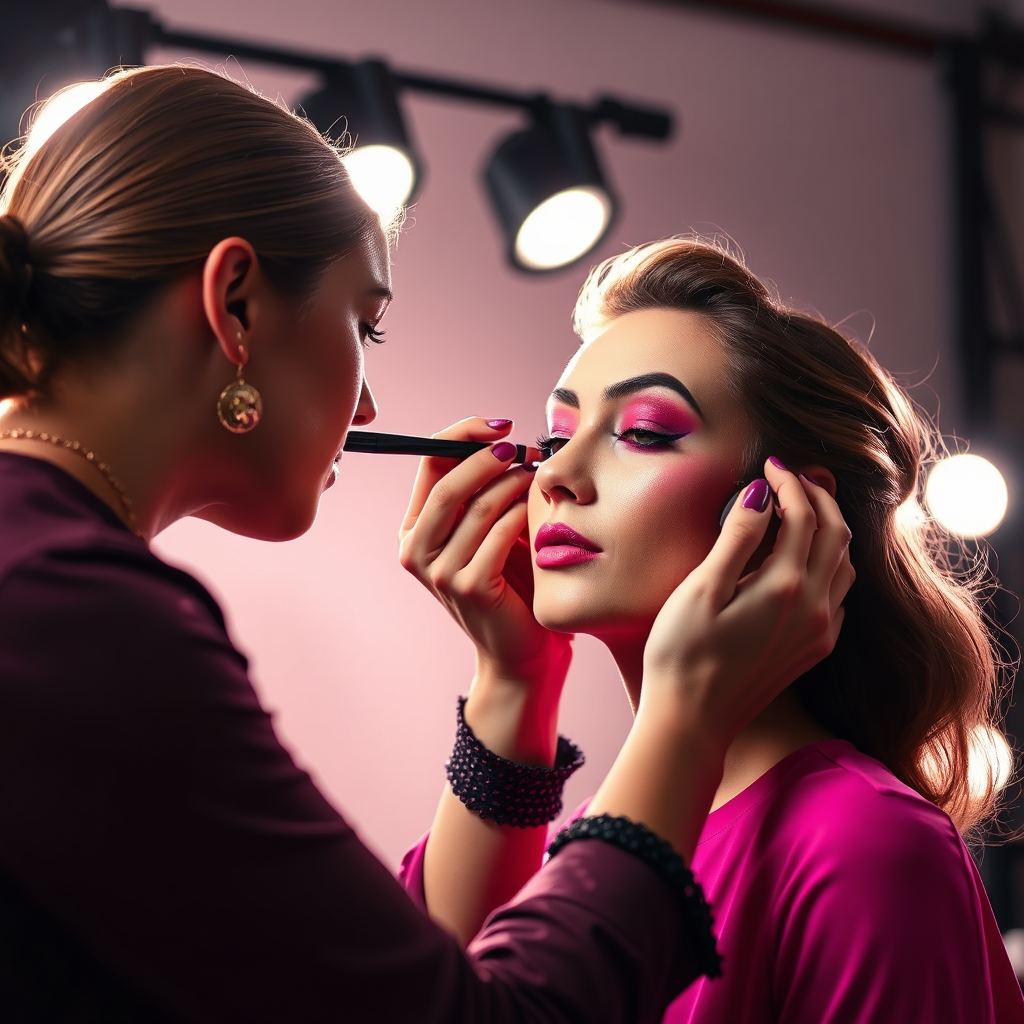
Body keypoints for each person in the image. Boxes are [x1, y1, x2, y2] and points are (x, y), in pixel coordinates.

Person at [0, 67, 853, 1023]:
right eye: (365, 323)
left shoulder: (863, 847)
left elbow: (367, 985)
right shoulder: (72, 614)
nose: (367, 406)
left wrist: (516, 682)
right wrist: (685, 717)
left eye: (644, 432)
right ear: (235, 305)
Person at [399, 238, 1024, 1022]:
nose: (554, 476)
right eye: (556, 439)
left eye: (645, 433)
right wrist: (512, 673)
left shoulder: (865, 844)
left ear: (790, 510)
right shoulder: (599, 842)